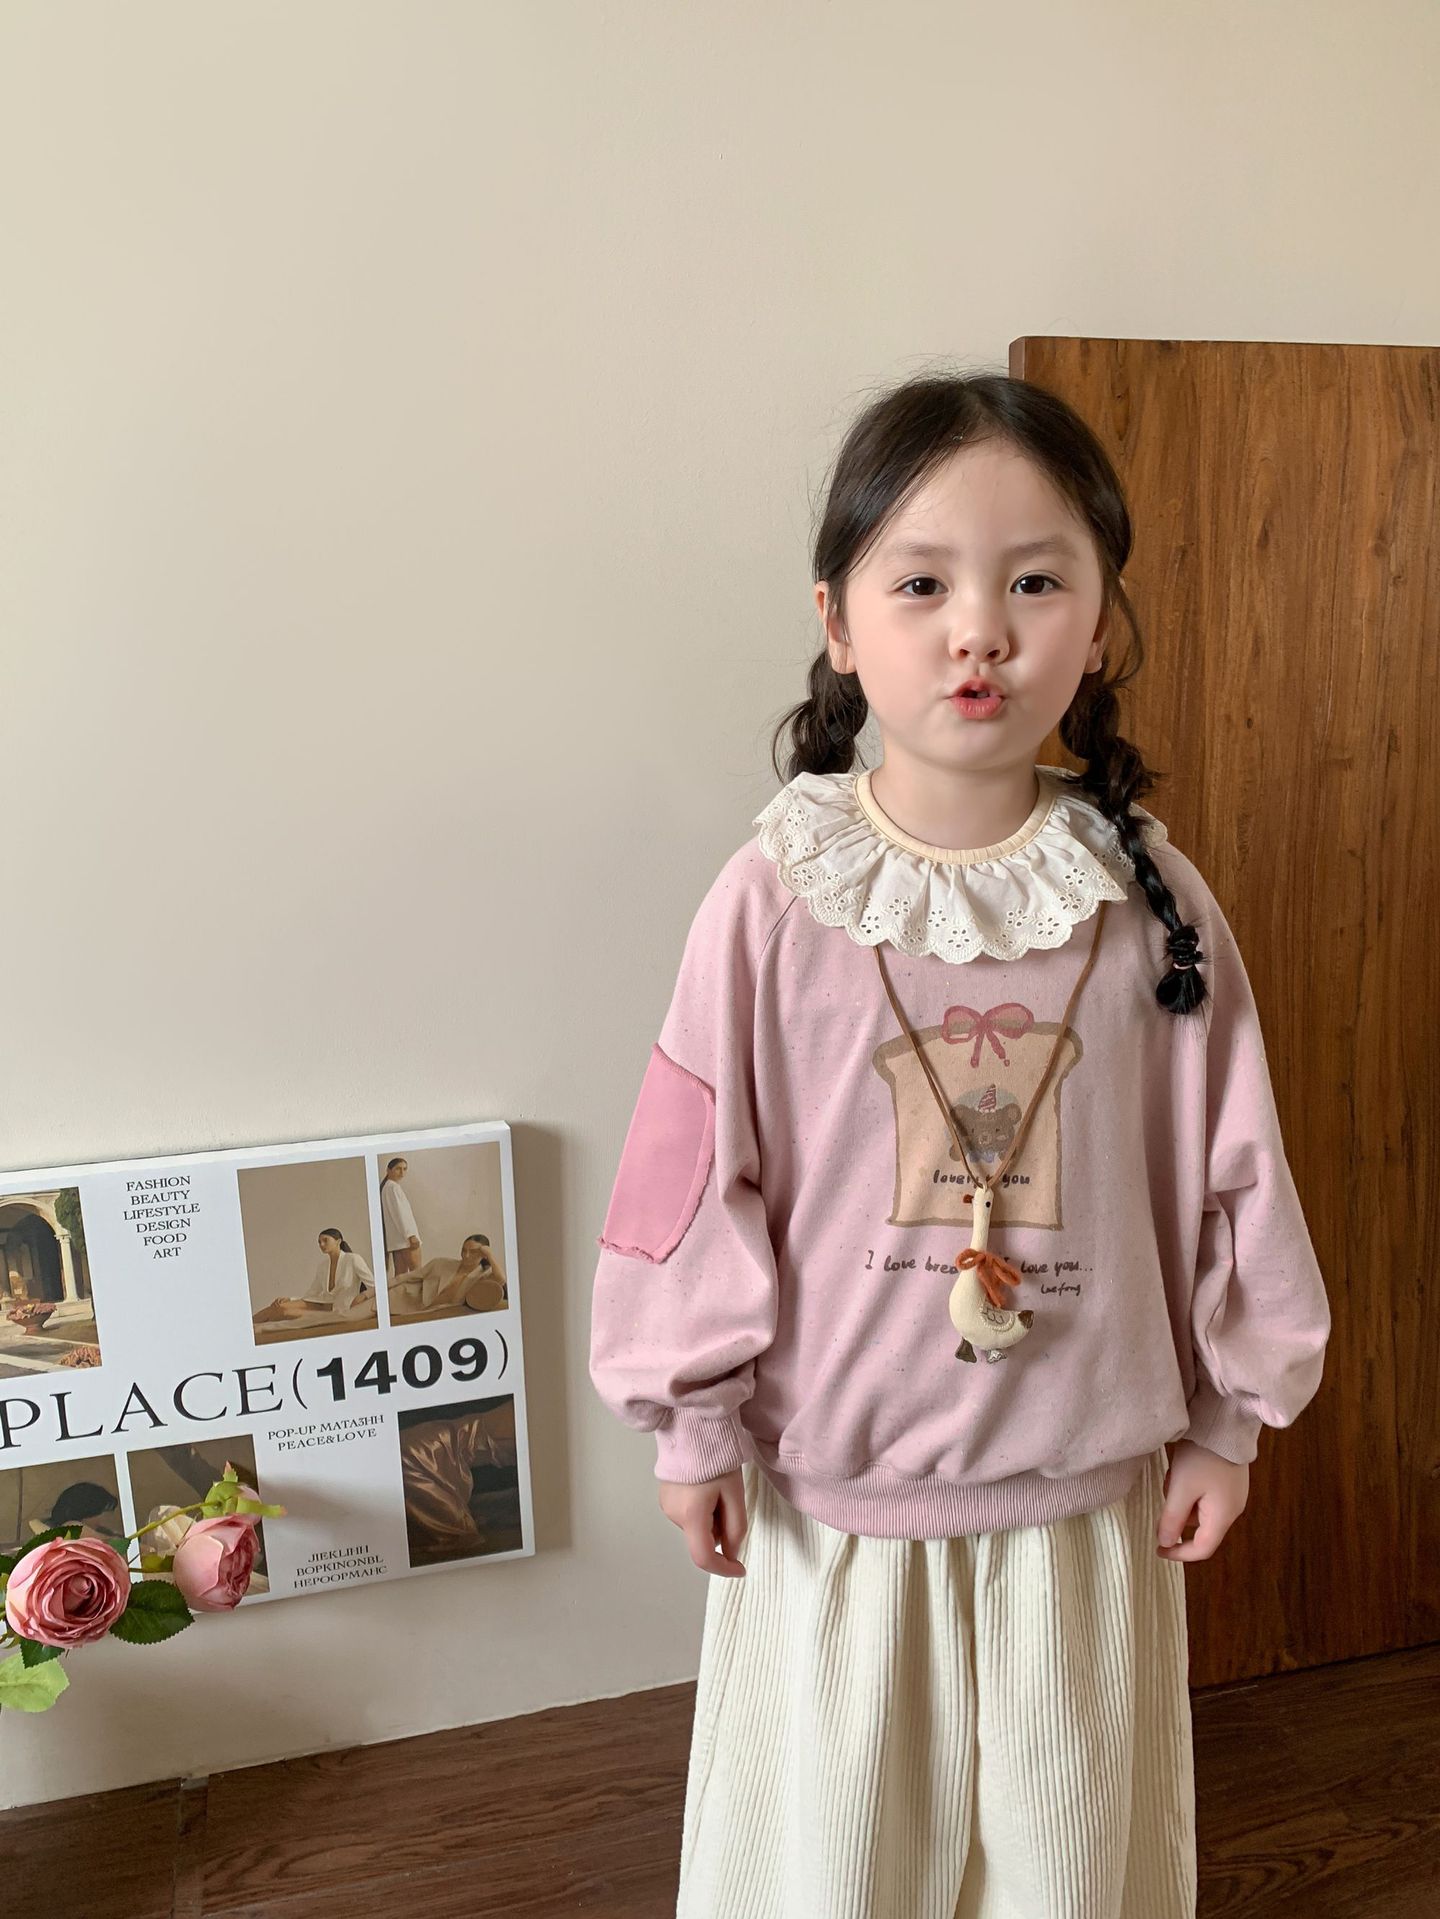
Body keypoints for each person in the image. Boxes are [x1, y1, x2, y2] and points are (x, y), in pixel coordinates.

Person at [587, 371, 1332, 1918]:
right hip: (834, 1510)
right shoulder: (771, 898)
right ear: (840, 621)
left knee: (1074, 1868)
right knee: (830, 1869)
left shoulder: (1153, 902)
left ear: (1101, 624)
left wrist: (1228, 1420)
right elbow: (689, 1175)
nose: (978, 630)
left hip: (1085, 1513)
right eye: (921, 583)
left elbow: (1237, 1172)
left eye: (1035, 581)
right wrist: (692, 1422)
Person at [253, 1228, 376, 1323]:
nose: (321, 1244)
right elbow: (312, 1293)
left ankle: (250, 1328)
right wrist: (290, 1299)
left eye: (325, 1240)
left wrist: (363, 1297)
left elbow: (374, 1286)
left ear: (338, 1241)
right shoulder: (323, 1266)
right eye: (319, 1242)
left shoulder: (353, 1259)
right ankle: (249, 1326)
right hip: (321, 1303)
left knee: (284, 1311)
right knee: (279, 1306)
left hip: (339, 1308)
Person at [390, 1233, 507, 1316]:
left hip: (426, 1311)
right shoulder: (441, 1263)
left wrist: (490, 1255)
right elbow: (406, 1276)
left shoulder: (483, 1276)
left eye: (473, 1252)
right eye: (464, 1250)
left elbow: (501, 1279)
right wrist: (378, 1290)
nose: (466, 1255)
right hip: (404, 1296)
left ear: (484, 1254)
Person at [380, 1156, 422, 1277]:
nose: (402, 1173)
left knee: (400, 1276)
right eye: (398, 1169)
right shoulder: (393, 1187)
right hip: (407, 1240)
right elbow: (399, 1214)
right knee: (417, 1274)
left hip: (398, 1241)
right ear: (389, 1170)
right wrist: (410, 1235)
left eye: (404, 1169)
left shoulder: (387, 1188)